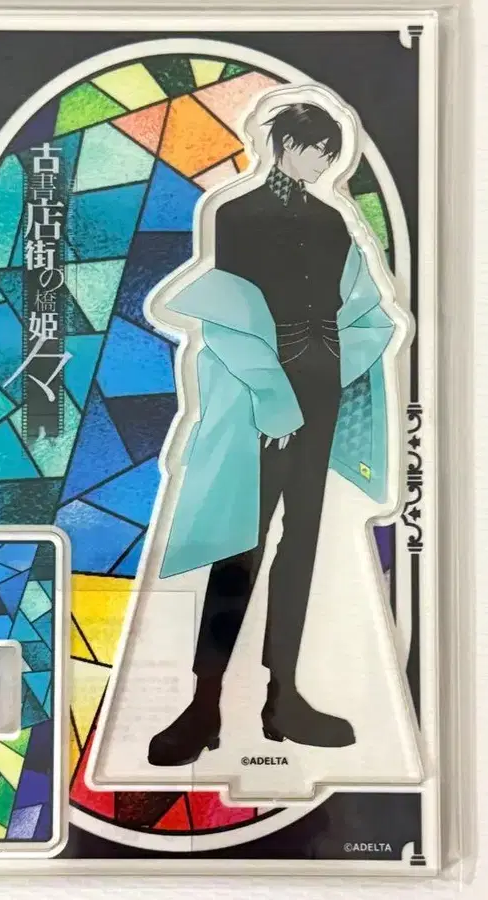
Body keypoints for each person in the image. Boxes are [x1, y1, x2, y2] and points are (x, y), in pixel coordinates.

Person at [147, 102, 398, 767]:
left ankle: (282, 695)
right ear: (286, 143)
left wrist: (338, 366)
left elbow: (365, 310)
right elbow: (228, 314)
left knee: (301, 542)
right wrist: (271, 396)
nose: (324, 163)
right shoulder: (238, 214)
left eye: (331, 153)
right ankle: (205, 701)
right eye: (316, 149)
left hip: (320, 392)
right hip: (260, 396)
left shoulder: (332, 219)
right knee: (240, 543)